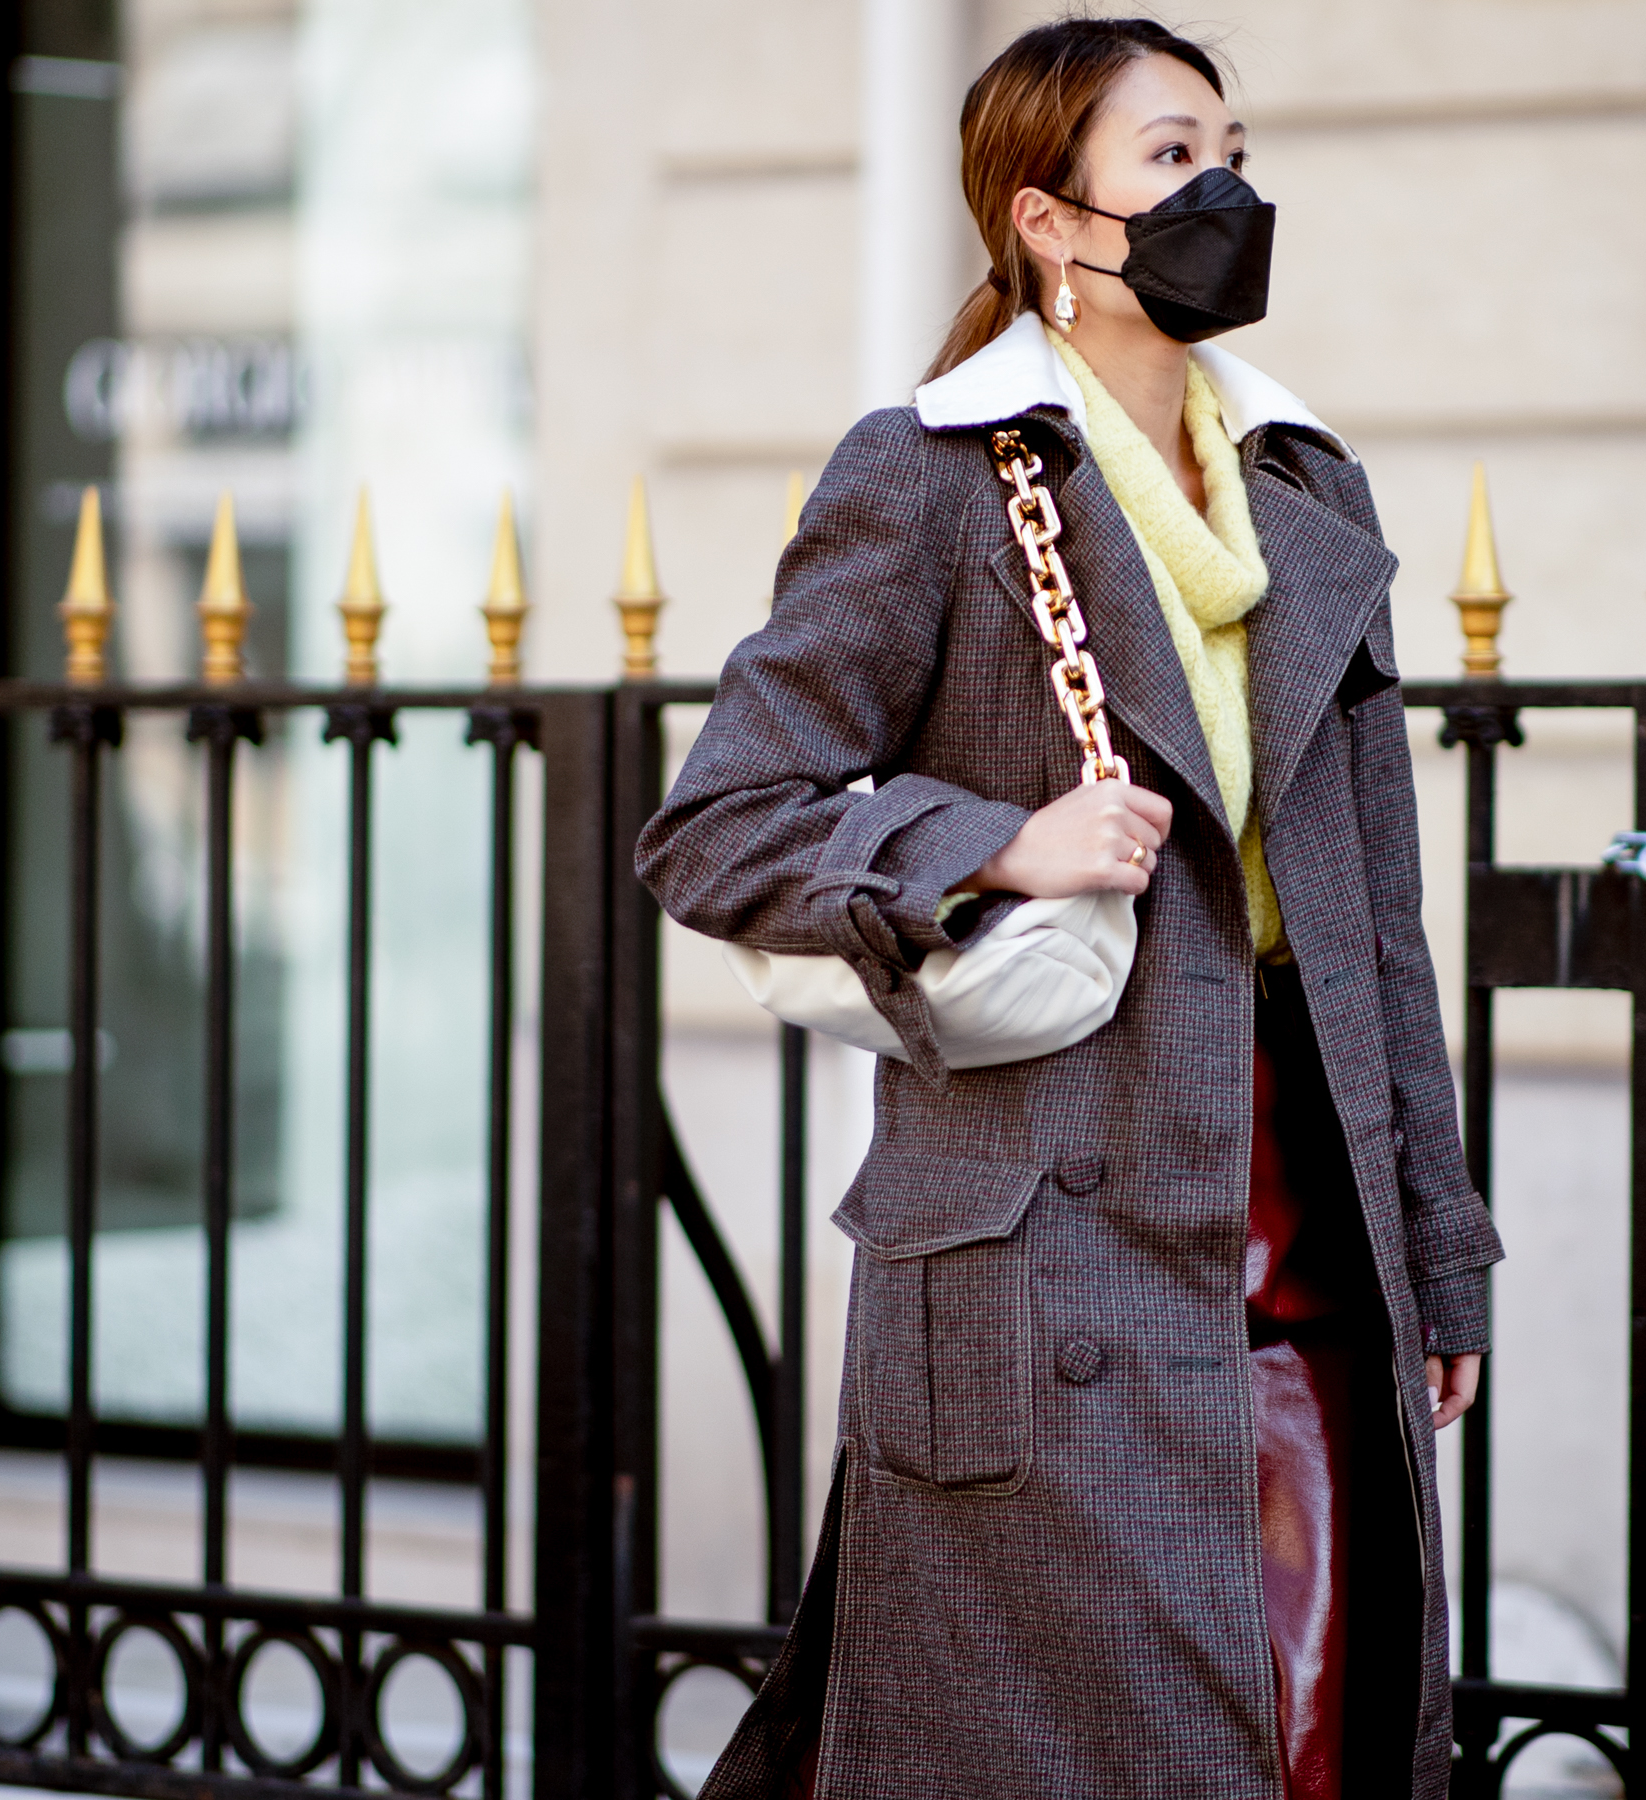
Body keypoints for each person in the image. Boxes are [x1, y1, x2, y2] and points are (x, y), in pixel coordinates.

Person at [635, 18, 1502, 1799]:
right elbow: (712, 827)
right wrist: (995, 842)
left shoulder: (1302, 491)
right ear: (1054, 220)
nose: (1228, 190)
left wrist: (1438, 1244)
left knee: (1312, 1740)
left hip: (1305, 1228)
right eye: (1175, 156)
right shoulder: (939, 475)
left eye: (1232, 146)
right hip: (1048, 1255)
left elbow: (1375, 923)